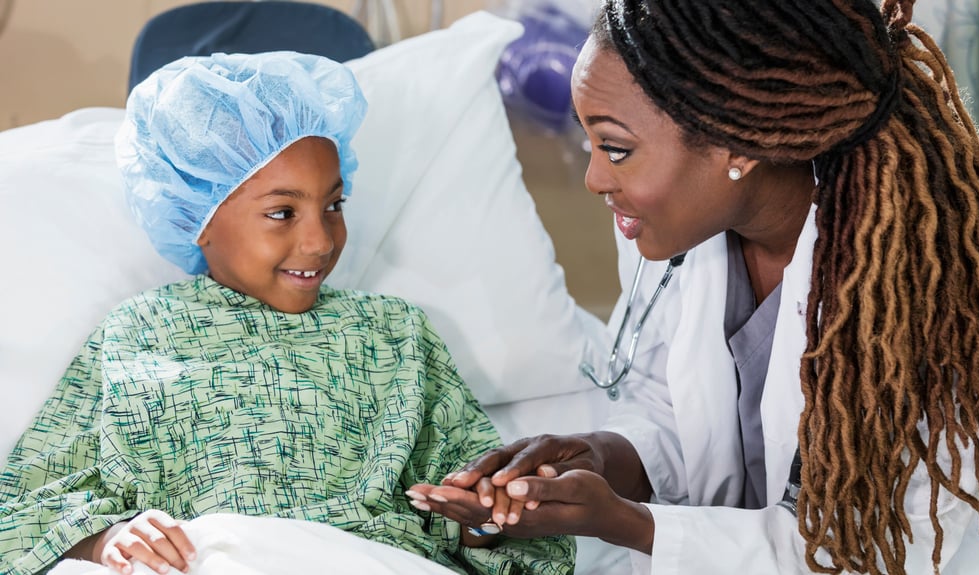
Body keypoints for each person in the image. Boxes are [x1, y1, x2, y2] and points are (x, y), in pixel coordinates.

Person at [408, 0, 979, 573]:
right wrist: (601, 456)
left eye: (616, 149)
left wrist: (629, 523)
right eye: (589, 141)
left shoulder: (919, 289)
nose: (594, 178)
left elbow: (867, 548)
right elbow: (668, 405)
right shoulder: (674, 231)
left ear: (737, 145)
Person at [0, 51, 573, 575]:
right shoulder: (138, 333)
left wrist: (484, 519)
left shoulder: (396, 334)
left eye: (334, 205)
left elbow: (491, 508)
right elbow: (23, 508)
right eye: (282, 213)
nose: (321, 241)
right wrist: (106, 539)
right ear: (197, 215)